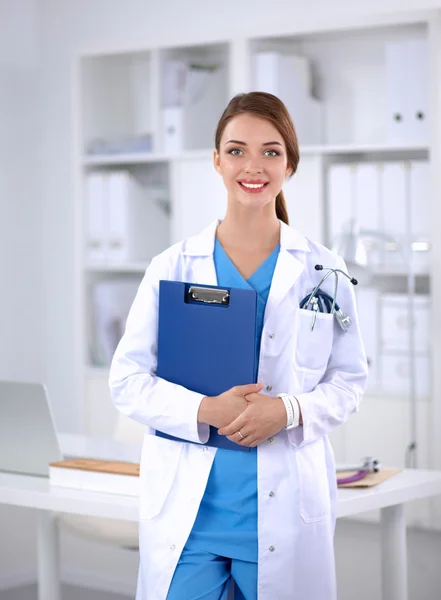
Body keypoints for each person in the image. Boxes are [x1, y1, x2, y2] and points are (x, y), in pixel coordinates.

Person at [109, 91, 368, 600]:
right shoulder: (174, 267)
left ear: (290, 164)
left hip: (281, 512)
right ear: (216, 161)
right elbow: (127, 381)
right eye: (237, 150)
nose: (253, 166)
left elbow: (350, 382)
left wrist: (289, 411)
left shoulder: (325, 271)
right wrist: (204, 408)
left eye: (271, 151)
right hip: (191, 515)